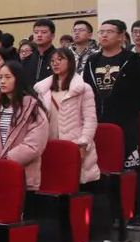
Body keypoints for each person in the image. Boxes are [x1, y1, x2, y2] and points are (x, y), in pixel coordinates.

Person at [83, 20, 140, 224]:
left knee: (130, 166)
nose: (104, 35)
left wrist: (129, 110)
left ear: (121, 36)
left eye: (109, 32)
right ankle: (108, 213)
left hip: (126, 122)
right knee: (102, 167)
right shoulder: (92, 61)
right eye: (101, 32)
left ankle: (133, 211)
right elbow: (86, 90)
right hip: (98, 122)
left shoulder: (132, 60)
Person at [34, 48, 100, 185]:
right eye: (52, 61)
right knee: (52, 183)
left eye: (60, 59)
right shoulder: (44, 90)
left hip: (75, 143)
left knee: (73, 183)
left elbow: (90, 119)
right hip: (49, 144)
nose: (55, 63)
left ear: (70, 62)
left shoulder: (83, 88)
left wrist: (84, 142)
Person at [0, 63, 49, 191]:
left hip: (22, 175)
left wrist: (7, 160)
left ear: (18, 79)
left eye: (8, 77)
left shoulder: (33, 109)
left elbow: (34, 145)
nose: (2, 81)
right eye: (0, 77)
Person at [23, 18, 57, 84]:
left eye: (44, 32)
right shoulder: (27, 61)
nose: (39, 35)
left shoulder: (58, 59)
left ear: (52, 36)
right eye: (36, 32)